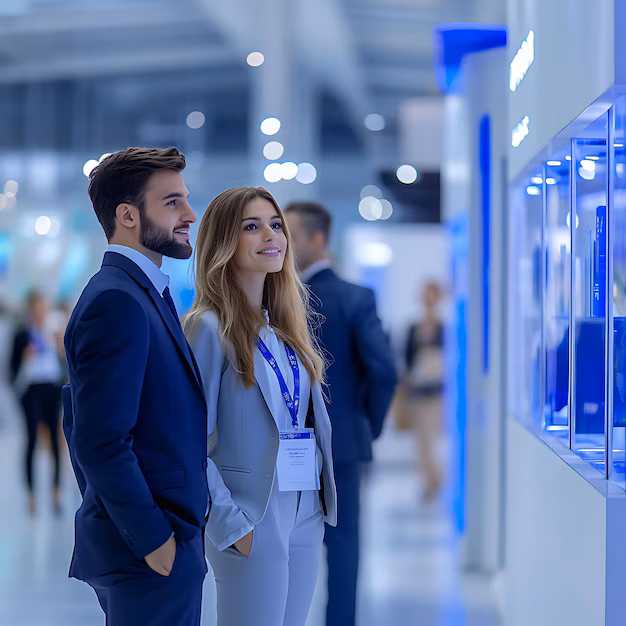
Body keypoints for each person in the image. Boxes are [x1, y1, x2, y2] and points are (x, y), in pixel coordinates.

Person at [62, 147, 209, 626]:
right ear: (128, 215)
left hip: (162, 542)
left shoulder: (143, 293)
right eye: (172, 203)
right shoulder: (117, 301)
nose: (190, 215)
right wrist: (152, 540)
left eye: (186, 200)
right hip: (150, 551)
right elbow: (99, 439)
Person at [184, 187, 337, 626]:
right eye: (251, 226)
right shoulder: (207, 328)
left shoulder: (284, 327)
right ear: (223, 243)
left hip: (305, 508)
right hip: (253, 515)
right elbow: (188, 442)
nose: (270, 235)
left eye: (275, 225)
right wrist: (232, 526)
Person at [285, 201, 397, 626]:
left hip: (292, 443)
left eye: (290, 236)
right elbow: (382, 372)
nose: (282, 245)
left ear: (318, 239)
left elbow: (384, 370)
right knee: (343, 542)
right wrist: (365, 423)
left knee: (291, 544)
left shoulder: (277, 300)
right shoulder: (352, 298)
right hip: (343, 442)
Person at [10, 290, 65, 515]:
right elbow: (11, 367)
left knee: (55, 439)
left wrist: (60, 348)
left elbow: (65, 361)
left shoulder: (53, 333)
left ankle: (55, 492)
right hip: (31, 389)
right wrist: (24, 358)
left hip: (51, 388)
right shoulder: (22, 335)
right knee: (32, 438)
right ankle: (31, 495)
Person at [404, 281, 445, 501]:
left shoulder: (443, 328)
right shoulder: (414, 328)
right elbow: (407, 359)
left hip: (437, 394)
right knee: (421, 441)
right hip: (418, 392)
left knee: (433, 439)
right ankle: (429, 481)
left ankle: (435, 480)